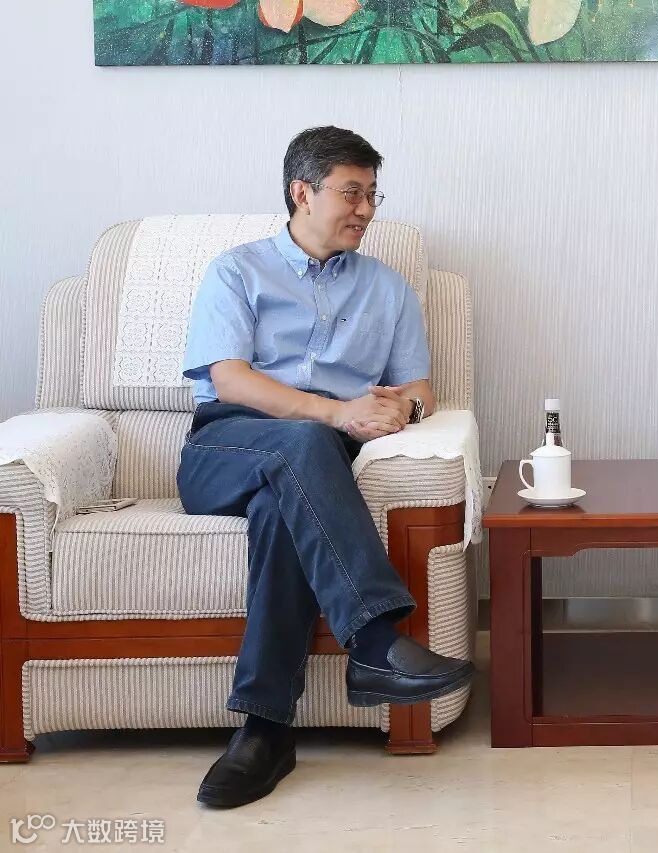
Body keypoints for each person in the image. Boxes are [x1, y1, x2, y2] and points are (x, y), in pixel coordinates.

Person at [178, 126, 474, 808]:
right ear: (302, 193)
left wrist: (402, 407)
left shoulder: (388, 289)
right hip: (227, 446)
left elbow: (420, 388)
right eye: (351, 192)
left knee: (286, 506)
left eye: (372, 195)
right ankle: (373, 640)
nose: (366, 209)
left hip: (315, 470)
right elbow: (229, 380)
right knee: (308, 443)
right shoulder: (237, 271)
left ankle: (264, 731)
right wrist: (337, 413)